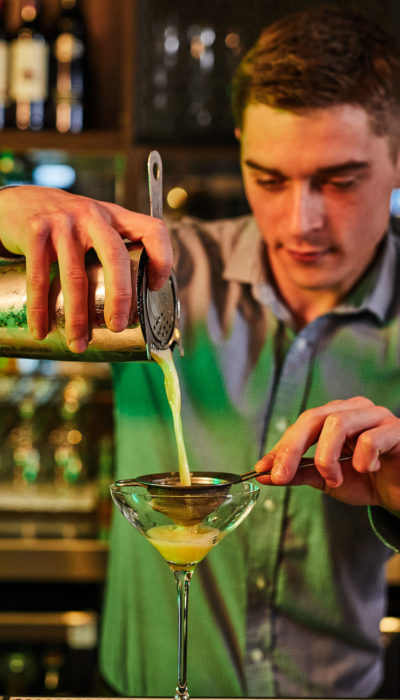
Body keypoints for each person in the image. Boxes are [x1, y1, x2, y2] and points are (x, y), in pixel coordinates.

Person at [1, 4, 400, 697]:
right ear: (242, 142)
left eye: (340, 180)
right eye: (269, 178)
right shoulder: (157, 273)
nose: (300, 221)